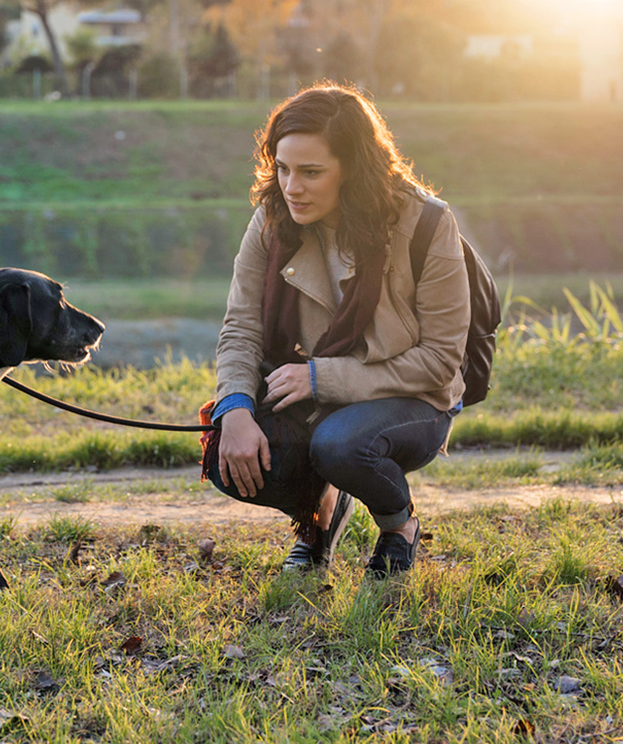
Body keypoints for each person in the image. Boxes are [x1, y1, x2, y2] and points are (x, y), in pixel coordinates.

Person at [200, 82, 470, 577]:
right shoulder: (272, 219)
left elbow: (439, 360)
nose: (291, 187)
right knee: (227, 455)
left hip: (414, 399)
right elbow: (241, 327)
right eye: (282, 169)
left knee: (340, 445)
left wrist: (323, 379)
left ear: (355, 170)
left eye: (311, 172)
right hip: (313, 394)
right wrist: (234, 407)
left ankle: (398, 527)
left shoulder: (427, 224)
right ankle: (321, 512)